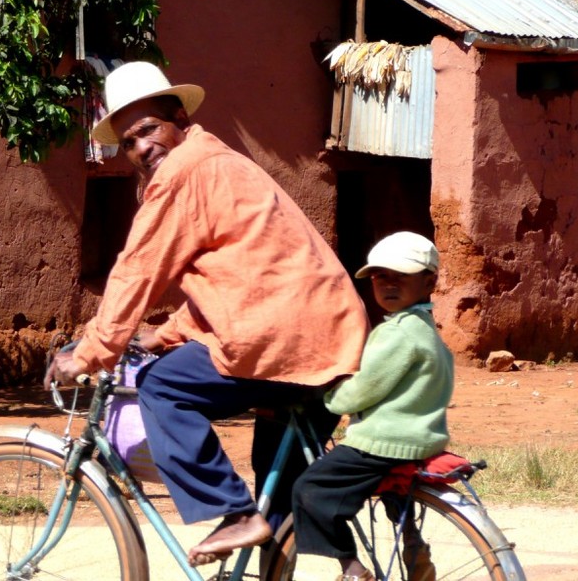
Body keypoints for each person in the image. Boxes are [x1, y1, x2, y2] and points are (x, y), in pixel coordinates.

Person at [45, 61, 370, 566]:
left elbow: (137, 271)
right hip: (328, 336)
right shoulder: (221, 161)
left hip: (278, 339)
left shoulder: (183, 172)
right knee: (276, 485)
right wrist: (170, 334)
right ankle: (344, 566)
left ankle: (231, 512)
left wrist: (91, 352)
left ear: (178, 118)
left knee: (162, 388)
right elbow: (239, 275)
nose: (140, 148)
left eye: (149, 129)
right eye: (128, 142)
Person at [290, 231, 454, 581]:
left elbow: (365, 388)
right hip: (422, 439)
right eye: (381, 276)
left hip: (384, 441)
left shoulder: (399, 332)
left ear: (429, 281)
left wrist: (330, 397)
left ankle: (351, 568)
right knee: (390, 489)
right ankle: (412, 545)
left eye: (401, 276)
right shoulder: (425, 330)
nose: (388, 284)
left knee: (309, 489)